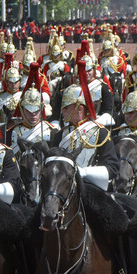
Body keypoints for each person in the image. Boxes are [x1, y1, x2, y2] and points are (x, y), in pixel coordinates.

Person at [51, 62, 118, 190]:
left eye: (66, 108)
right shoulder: (60, 135)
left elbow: (113, 168)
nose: (62, 112)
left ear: (79, 108)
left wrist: (85, 172)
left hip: (90, 188)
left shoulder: (100, 133)